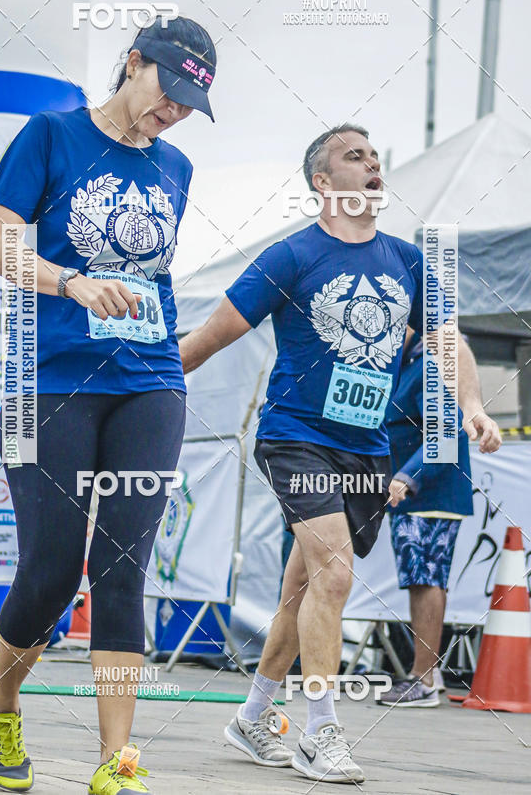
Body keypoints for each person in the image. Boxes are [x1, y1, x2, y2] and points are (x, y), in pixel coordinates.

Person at [179, 124, 501, 784]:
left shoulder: (408, 261)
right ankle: (320, 732)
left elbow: (449, 341)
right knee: (333, 575)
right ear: (322, 182)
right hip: (296, 437)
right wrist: (135, 388)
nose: (372, 164)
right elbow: (211, 336)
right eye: (355, 157)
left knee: (303, 588)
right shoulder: (290, 257)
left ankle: (251, 717)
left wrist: (472, 405)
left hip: (366, 451)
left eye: (376, 157)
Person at [0, 15, 217, 794]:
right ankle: (3, 700)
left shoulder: (176, 167)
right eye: (167, 90)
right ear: (133, 62)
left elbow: (154, 275)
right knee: (51, 570)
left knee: (122, 567)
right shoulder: (51, 134)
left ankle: (116, 761)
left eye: (189, 104)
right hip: (45, 380)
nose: (173, 111)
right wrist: (70, 283)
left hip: (149, 380)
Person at [379, 328, 474, 707]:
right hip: (415, 492)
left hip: (429, 491)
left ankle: (424, 680)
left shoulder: (430, 364)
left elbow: (446, 431)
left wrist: (407, 476)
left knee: (426, 579)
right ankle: (425, 676)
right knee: (421, 579)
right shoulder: (408, 364)